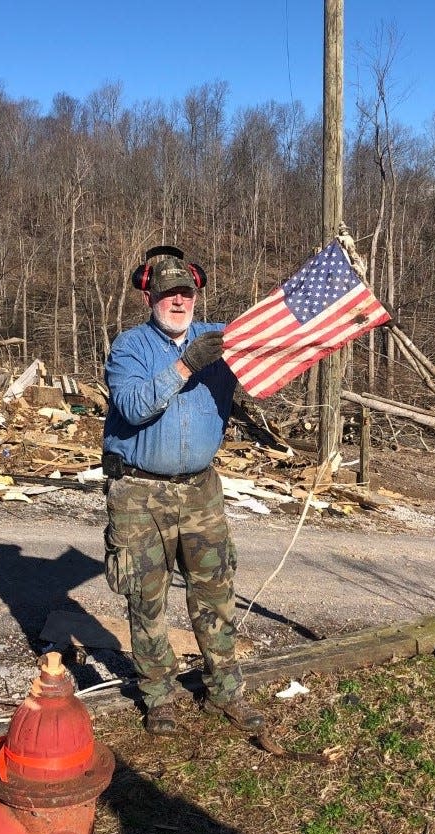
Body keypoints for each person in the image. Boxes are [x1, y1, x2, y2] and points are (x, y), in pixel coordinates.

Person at [102, 245, 264, 737]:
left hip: (200, 492)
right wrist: (184, 366)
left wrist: (343, 325)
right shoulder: (130, 347)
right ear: (149, 295)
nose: (179, 301)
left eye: (186, 293)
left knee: (215, 592)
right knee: (146, 598)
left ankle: (225, 692)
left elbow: (274, 363)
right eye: (168, 292)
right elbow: (132, 406)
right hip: (139, 494)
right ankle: (159, 696)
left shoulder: (221, 342)